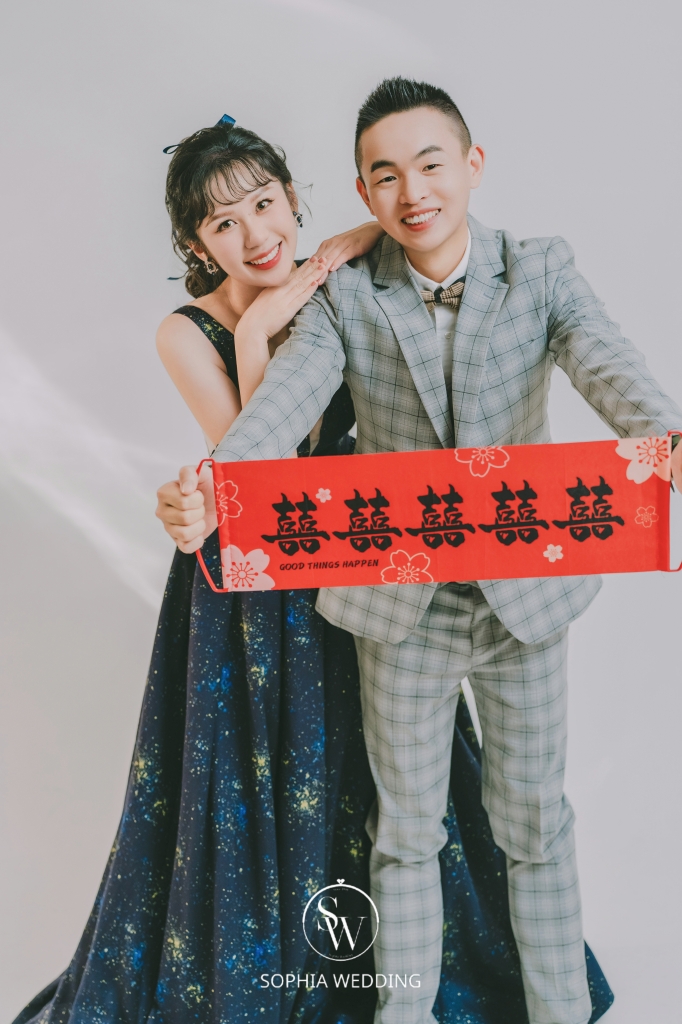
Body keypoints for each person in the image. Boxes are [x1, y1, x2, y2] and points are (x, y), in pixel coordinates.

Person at [14, 118, 616, 1024]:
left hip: (363, 554)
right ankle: (278, 968)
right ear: (196, 245)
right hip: (255, 573)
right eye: (224, 224)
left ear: (295, 199)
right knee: (259, 776)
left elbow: (405, 219)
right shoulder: (186, 333)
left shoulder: (335, 277)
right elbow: (264, 468)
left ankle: (412, 975)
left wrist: (340, 246)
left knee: (385, 772)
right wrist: (259, 330)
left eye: (267, 205)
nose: (256, 234)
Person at [157, 80, 682, 1024]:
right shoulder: (345, 298)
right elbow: (282, 407)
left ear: (472, 166)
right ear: (364, 192)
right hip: (399, 608)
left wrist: (667, 437)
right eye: (387, 175)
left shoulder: (542, 269)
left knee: (535, 822)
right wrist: (214, 487)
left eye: (430, 165)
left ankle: (561, 1011)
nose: (413, 191)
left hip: (525, 602)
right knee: (403, 832)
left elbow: (606, 361)